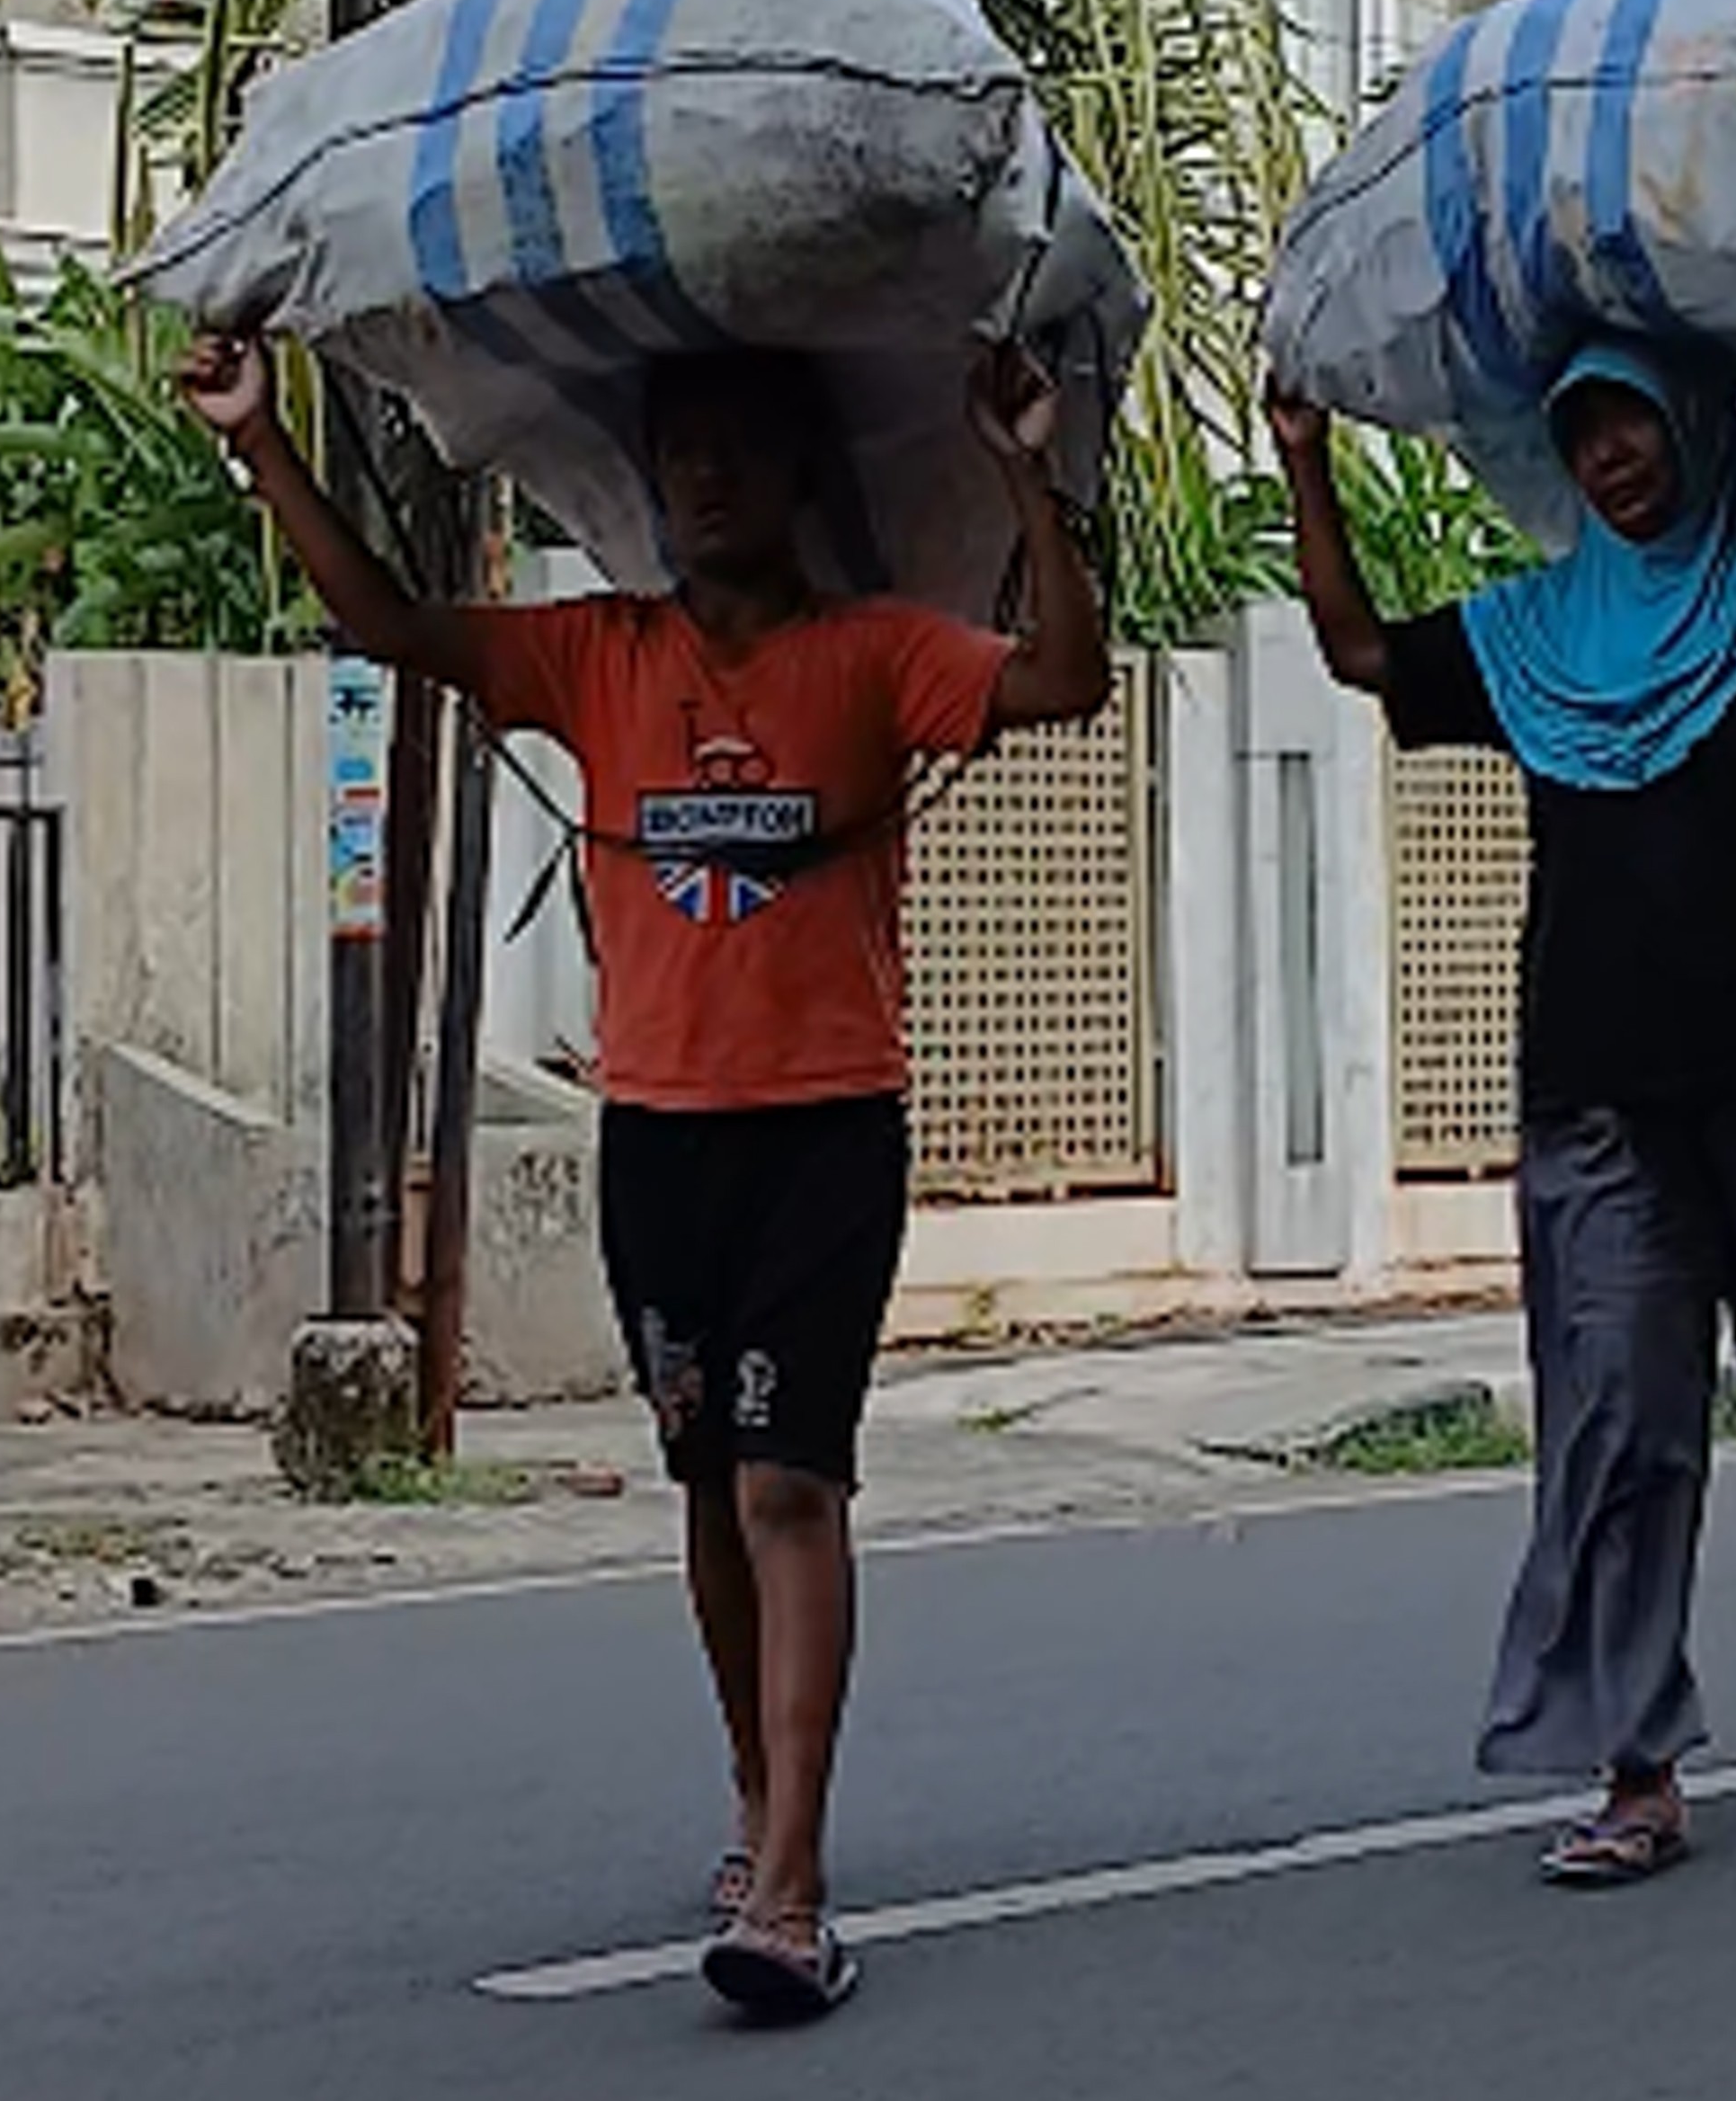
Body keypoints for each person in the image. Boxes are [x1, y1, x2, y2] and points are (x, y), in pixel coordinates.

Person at [181, 334, 1109, 2017]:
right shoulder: (596, 655)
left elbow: (1062, 683)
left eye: (741, 450)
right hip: (660, 1137)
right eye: (680, 452)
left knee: (787, 1485)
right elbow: (391, 626)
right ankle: (758, 1799)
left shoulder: (877, 652)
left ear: (802, 479)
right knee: (703, 1484)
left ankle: (799, 1884)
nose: (706, 479)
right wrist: (260, 441)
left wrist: (1028, 472)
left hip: (828, 1124)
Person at [1268, 340, 1736, 1885]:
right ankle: (1635, 1765)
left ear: (1688, 422)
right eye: (1584, 433)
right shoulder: (1541, 634)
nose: (1612, 456)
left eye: (1632, 421)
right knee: (1614, 1417)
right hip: (1601, 1086)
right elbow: (1358, 652)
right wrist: (1302, 458)